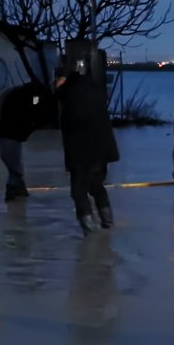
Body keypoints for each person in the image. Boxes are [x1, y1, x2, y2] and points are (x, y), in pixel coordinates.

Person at [55, 65, 120, 235]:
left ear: (63, 79)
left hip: (82, 152)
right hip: (102, 149)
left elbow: (63, 112)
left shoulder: (69, 92)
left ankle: (90, 231)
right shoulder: (93, 87)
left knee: (78, 191)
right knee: (97, 186)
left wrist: (60, 89)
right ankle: (108, 222)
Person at [0, 82, 45, 201]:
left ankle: (19, 190)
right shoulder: (33, 97)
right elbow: (35, 109)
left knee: (12, 164)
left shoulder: (10, 93)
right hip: (11, 135)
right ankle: (13, 190)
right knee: (14, 166)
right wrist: (33, 125)